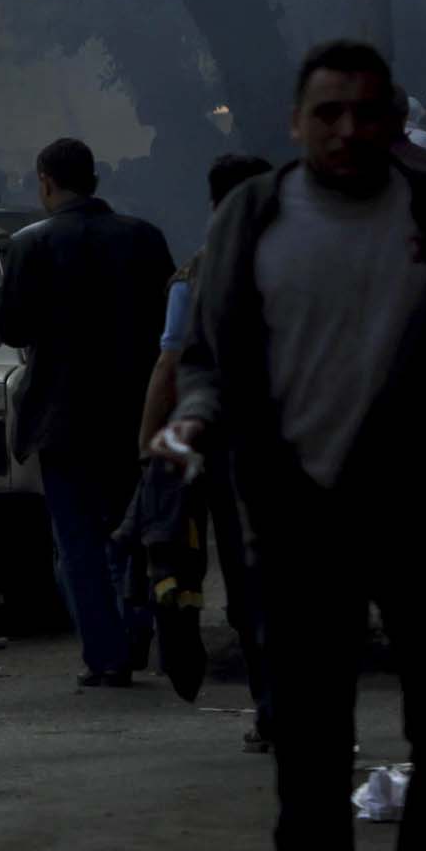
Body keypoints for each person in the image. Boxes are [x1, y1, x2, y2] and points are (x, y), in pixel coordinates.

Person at [168, 39, 426, 851]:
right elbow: (211, 355)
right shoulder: (251, 219)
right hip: (297, 528)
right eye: (327, 113)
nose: (348, 130)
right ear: (297, 120)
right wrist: (196, 417)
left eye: (365, 112)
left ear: (392, 115)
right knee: (309, 781)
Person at [0, 137, 175, 689]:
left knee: (77, 543)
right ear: (93, 178)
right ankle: (139, 626)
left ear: (46, 180)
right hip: (133, 409)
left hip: (62, 416)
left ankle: (106, 654)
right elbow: (170, 321)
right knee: (133, 527)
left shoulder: (31, 245)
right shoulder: (142, 238)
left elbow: (11, 329)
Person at [138, 151, 279, 748]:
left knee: (252, 580)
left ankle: (275, 708)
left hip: (234, 448)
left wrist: (151, 444)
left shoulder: (197, 274)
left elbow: (171, 365)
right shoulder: (308, 258)